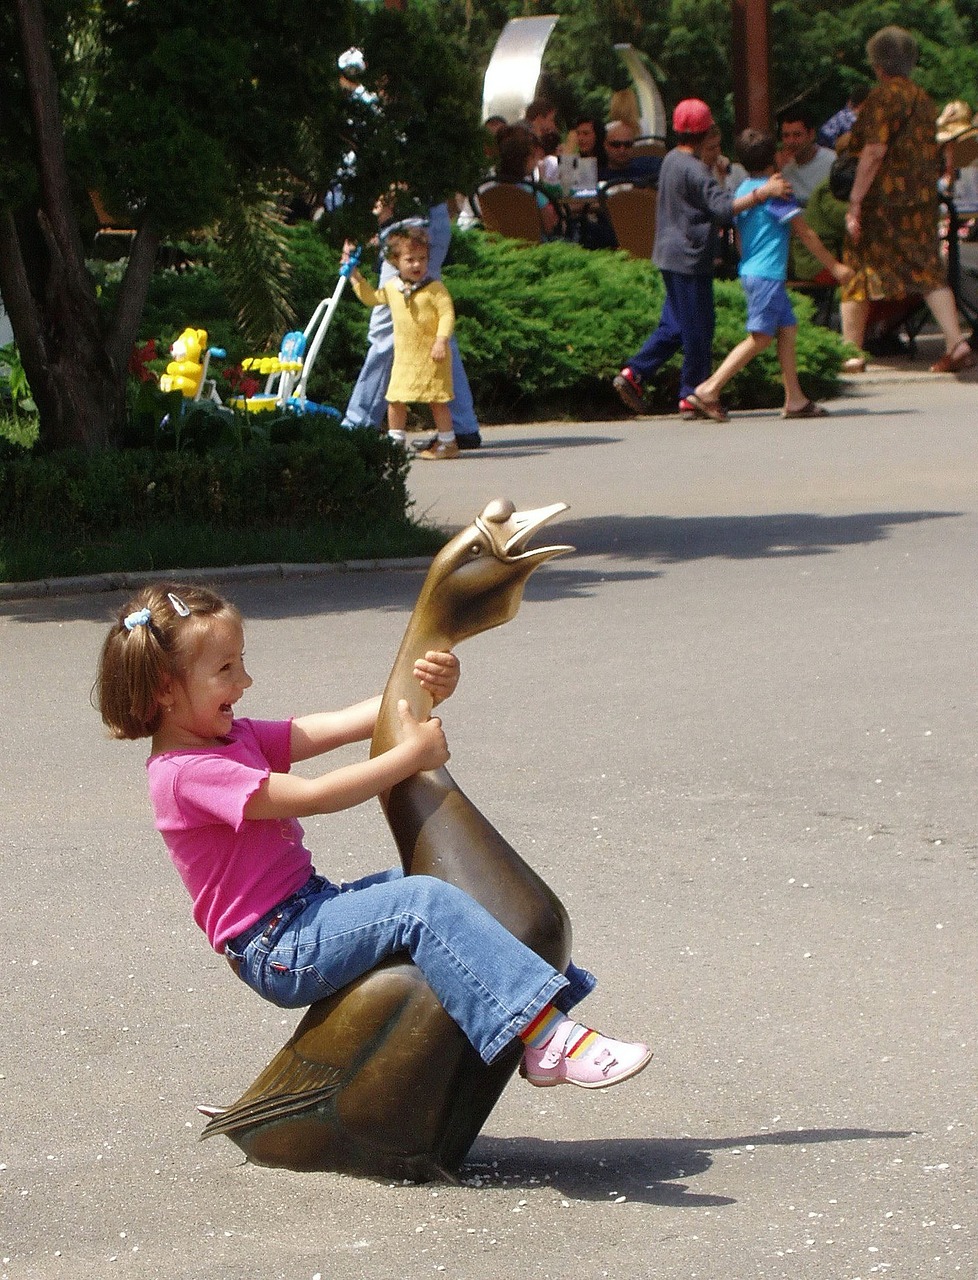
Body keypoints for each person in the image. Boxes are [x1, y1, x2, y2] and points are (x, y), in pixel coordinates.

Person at [94, 584, 653, 1091]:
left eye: (242, 664)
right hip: (278, 946)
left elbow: (333, 724)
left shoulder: (229, 734)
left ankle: (539, 1021)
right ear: (166, 690)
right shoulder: (185, 774)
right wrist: (411, 754)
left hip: (309, 908)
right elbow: (316, 794)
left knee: (446, 880)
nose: (245, 682)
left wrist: (425, 688)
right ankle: (550, 1040)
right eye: (225, 670)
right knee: (422, 902)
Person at [613, 99, 790, 419]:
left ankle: (634, 374)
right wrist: (762, 193)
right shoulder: (696, 170)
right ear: (705, 131)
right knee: (698, 328)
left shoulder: (670, 161)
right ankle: (692, 392)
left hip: (668, 253)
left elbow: (707, 202)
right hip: (689, 256)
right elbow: (723, 209)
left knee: (676, 324)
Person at [687, 128, 854, 421]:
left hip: (754, 270)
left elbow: (738, 236)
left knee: (787, 329)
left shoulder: (743, 191)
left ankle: (795, 398)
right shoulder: (778, 192)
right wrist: (835, 267)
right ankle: (709, 389)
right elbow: (806, 233)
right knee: (761, 337)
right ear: (775, 157)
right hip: (767, 274)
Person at [841, 25, 974, 374]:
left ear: (877, 65)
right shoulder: (924, 99)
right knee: (929, 270)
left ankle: (851, 351)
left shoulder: (881, 98)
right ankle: (956, 342)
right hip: (920, 200)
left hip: (882, 204)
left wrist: (855, 200)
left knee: (858, 266)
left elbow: (873, 151)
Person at [341, 199, 482, 452]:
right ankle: (460, 428)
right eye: (412, 260)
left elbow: (394, 184)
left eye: (421, 260)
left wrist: (362, 226)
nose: (417, 265)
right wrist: (355, 278)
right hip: (424, 216)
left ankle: (359, 425)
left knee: (389, 332)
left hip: (408, 222)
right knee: (429, 327)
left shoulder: (405, 263)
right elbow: (372, 296)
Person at [492, 124, 562, 237]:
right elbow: (549, 226)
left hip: (504, 244)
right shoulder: (532, 192)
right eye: (534, 156)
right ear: (527, 159)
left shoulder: (491, 190)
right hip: (537, 246)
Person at [778, 107, 836, 206]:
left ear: (811, 135)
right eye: (786, 136)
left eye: (797, 135)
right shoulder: (783, 169)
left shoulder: (833, 162)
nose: (791, 142)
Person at [598, 119, 662, 186]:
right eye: (616, 144)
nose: (622, 150)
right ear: (605, 145)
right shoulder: (597, 174)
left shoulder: (652, 165)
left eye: (627, 144)